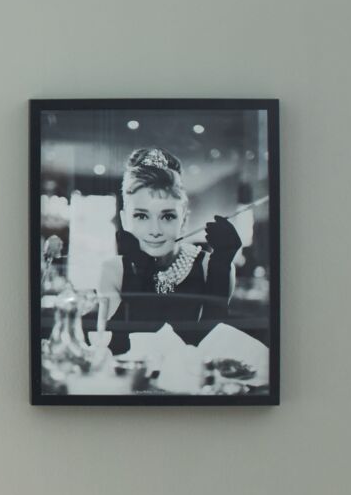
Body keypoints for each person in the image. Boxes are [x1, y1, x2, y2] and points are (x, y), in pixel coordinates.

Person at [98, 147, 243, 357]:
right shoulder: (113, 270)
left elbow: (213, 348)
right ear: (124, 219)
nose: (155, 231)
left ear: (183, 220)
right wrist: (140, 272)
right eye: (141, 216)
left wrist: (220, 268)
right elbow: (119, 345)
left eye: (167, 217)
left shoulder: (209, 266)